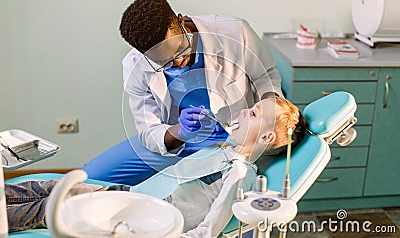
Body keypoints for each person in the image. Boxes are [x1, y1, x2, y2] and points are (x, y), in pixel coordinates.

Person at [5, 97, 306, 237]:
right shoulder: (219, 150)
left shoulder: (240, 174)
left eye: (253, 113)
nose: (243, 110)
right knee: (58, 186)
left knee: (54, 206)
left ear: (266, 137)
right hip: (130, 196)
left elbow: (209, 229)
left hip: (143, 219)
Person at [82, 0, 283, 185]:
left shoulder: (234, 32)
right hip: (178, 142)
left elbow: (265, 76)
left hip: (231, 137)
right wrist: (181, 131)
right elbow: (149, 132)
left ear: (180, 21)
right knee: (90, 176)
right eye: (165, 63)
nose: (178, 62)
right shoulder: (135, 66)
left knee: (200, 189)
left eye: (180, 49)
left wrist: (270, 109)